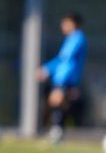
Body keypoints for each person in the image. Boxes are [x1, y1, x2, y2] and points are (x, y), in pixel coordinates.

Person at [36, 12, 87, 144]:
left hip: (66, 78)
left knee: (57, 103)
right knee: (58, 104)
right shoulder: (71, 39)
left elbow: (64, 59)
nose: (63, 25)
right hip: (63, 78)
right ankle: (57, 132)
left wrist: (47, 69)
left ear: (73, 24)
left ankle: (57, 133)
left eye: (66, 23)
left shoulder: (77, 38)